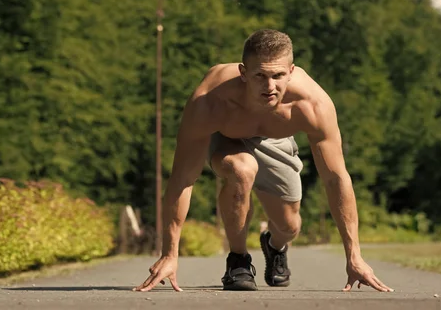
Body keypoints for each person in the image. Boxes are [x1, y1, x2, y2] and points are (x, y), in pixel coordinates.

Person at [134, 29, 393, 293]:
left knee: (290, 226)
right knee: (242, 169)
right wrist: (170, 254)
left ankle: (275, 246)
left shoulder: (312, 105)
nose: (270, 87)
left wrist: (354, 256)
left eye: (278, 76)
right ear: (243, 72)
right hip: (228, 139)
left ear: (291, 71)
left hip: (277, 140)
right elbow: (182, 179)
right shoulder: (210, 102)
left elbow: (335, 178)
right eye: (260, 76)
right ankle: (238, 260)